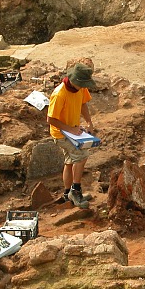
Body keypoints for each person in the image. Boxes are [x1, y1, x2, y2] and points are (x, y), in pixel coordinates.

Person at [47, 63, 96, 209]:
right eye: (82, 84)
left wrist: (89, 121)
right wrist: (69, 129)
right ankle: (76, 191)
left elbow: (83, 103)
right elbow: (50, 119)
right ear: (74, 81)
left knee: (69, 161)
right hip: (61, 134)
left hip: (72, 131)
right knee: (82, 156)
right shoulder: (59, 94)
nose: (83, 87)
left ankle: (67, 193)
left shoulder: (80, 88)